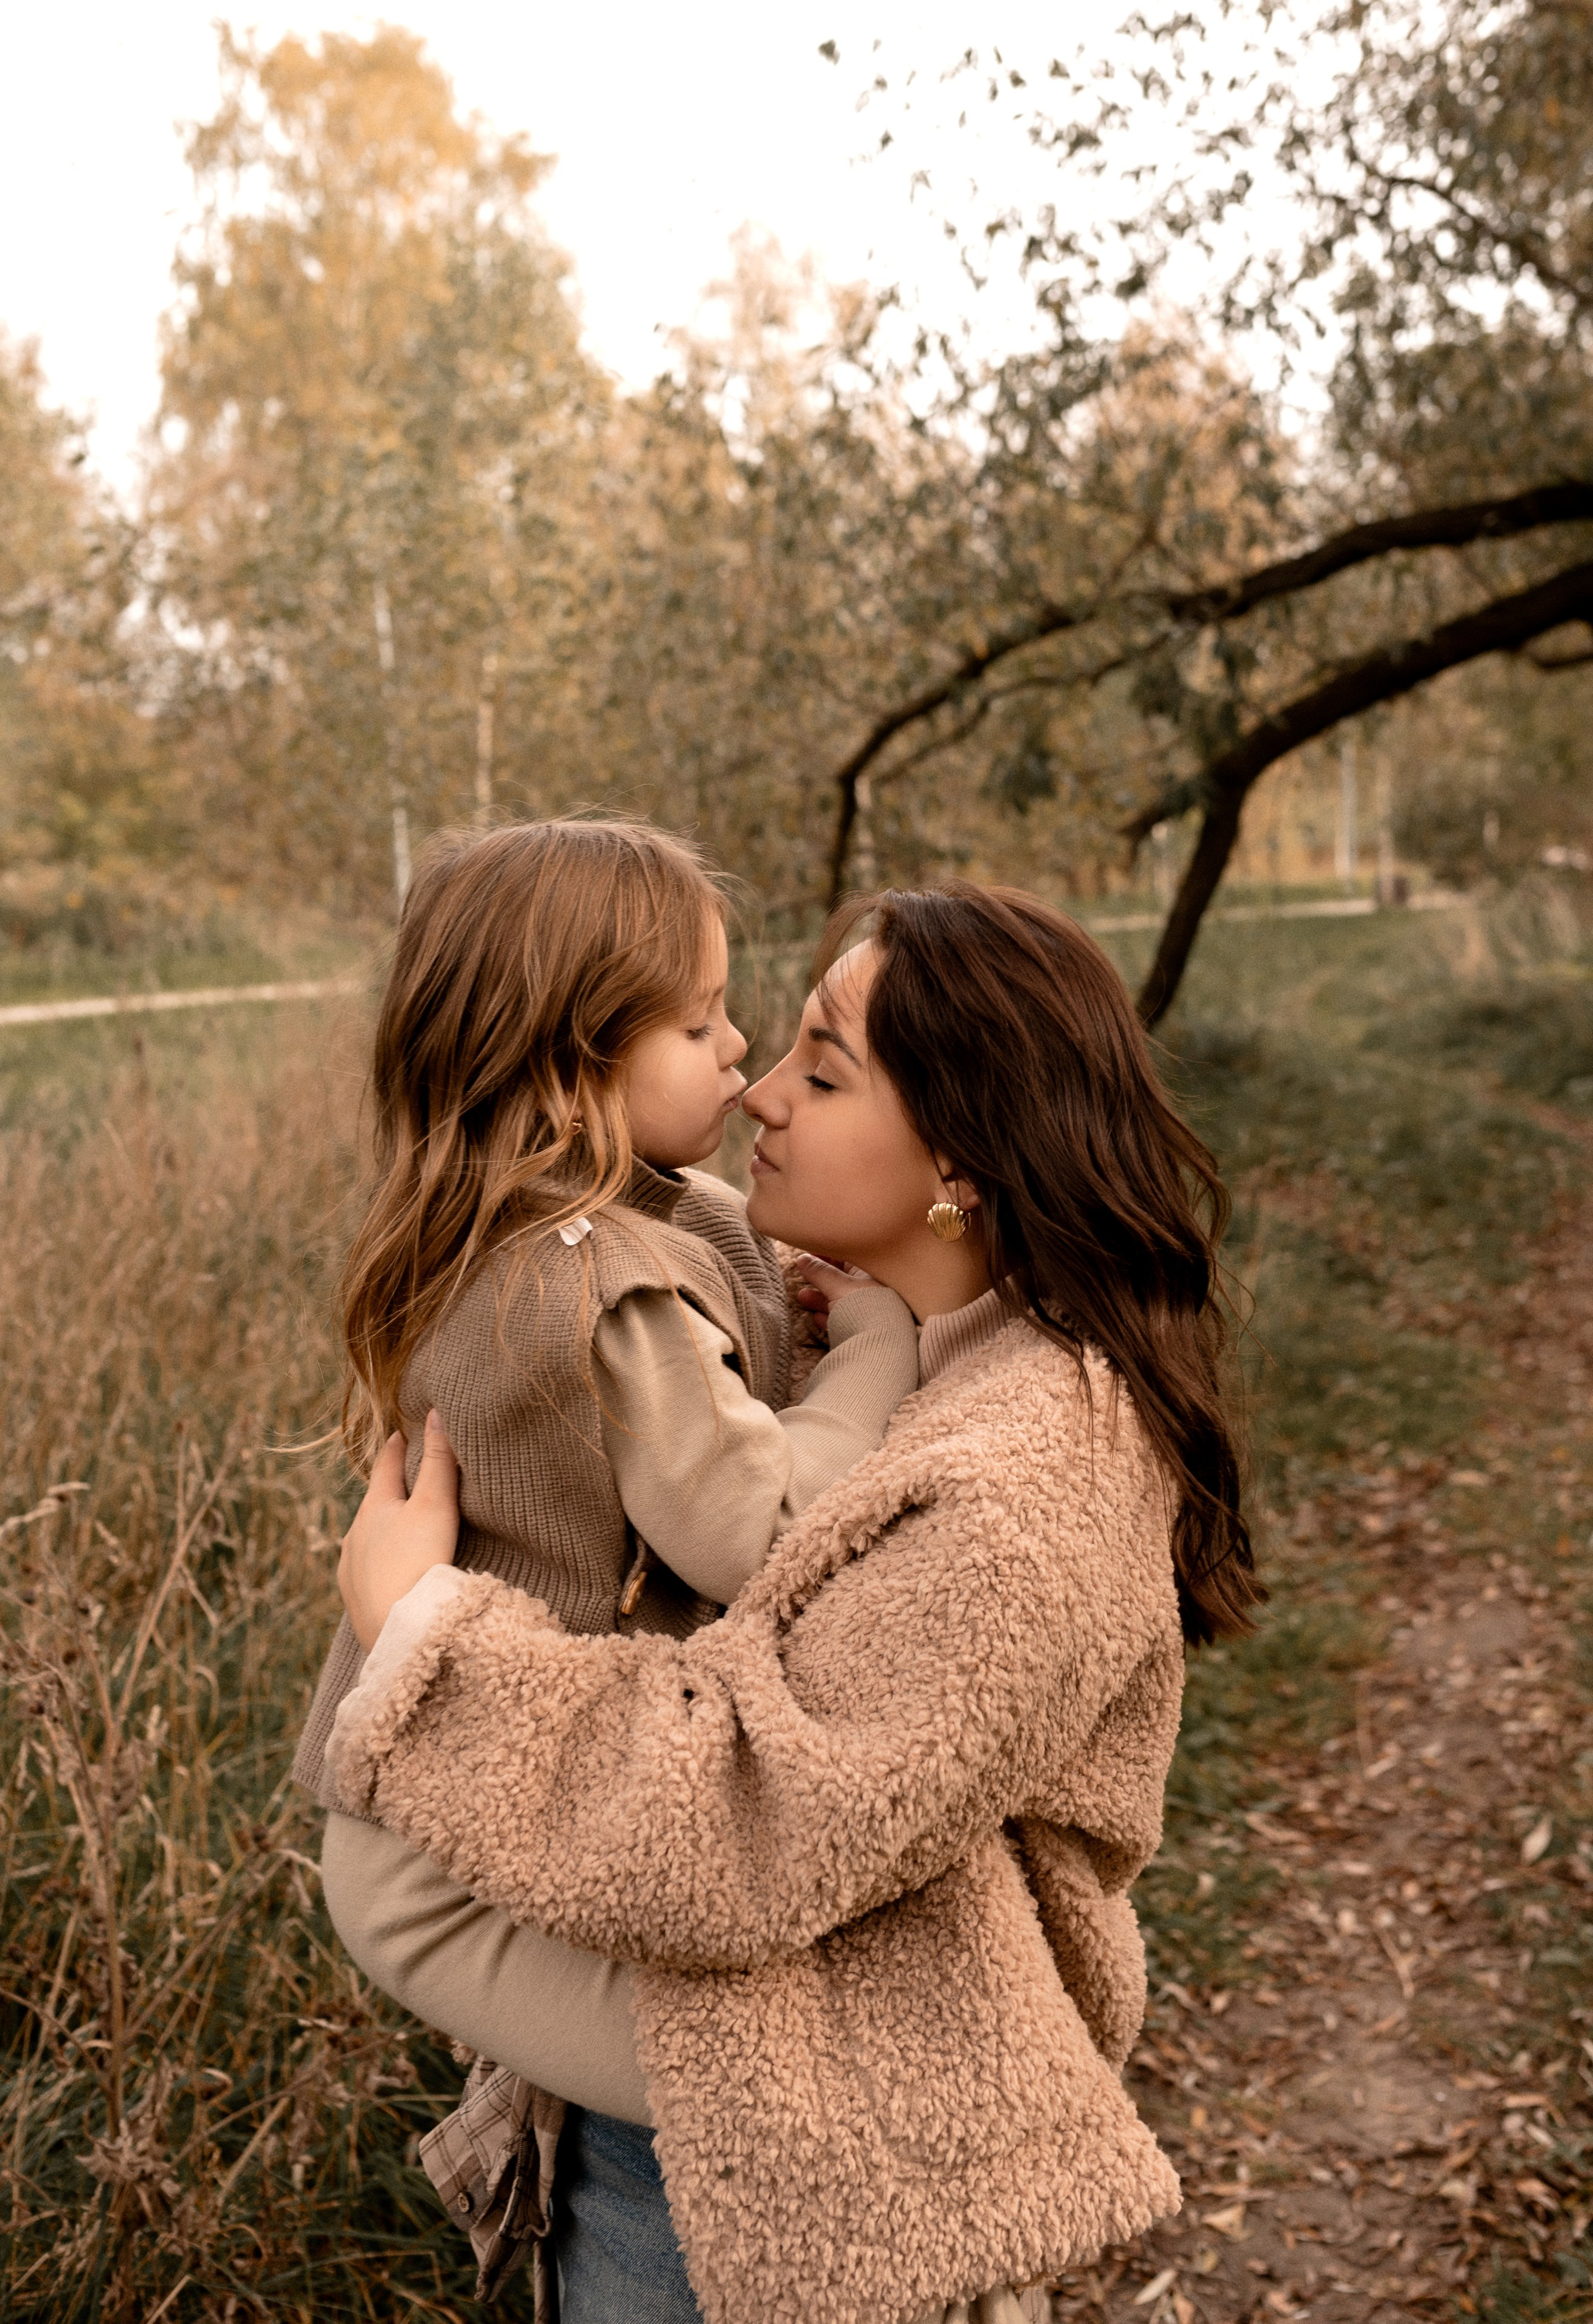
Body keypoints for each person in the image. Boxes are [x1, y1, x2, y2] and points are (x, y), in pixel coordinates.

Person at [328, 881, 1265, 2324]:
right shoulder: (918, 1352)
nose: (758, 1088)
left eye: (819, 1071)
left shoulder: (1022, 1481)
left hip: (787, 2135)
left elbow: (753, 1811)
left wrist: (421, 1642)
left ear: (961, 1155)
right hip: (733, 2080)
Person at [296, 817, 920, 2126]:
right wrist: (874, 1344)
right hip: (443, 1859)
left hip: (468, 1789)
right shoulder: (603, 1279)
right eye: (697, 1028)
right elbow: (758, 1525)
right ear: (571, 1061)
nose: (741, 1047)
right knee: (768, 2089)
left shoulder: (548, 1219)